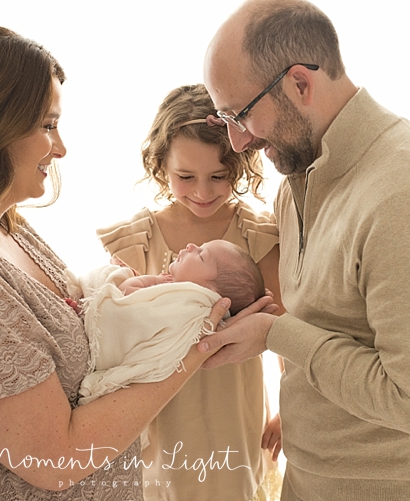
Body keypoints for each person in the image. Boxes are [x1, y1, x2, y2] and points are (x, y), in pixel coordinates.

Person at [0, 26, 272, 500]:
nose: (60, 148)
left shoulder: (2, 227)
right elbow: (56, 459)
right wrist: (195, 346)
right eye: (47, 125)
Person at [199, 1, 410, 501]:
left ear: (299, 84)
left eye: (239, 114)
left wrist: (276, 333)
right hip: (310, 478)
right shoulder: (296, 182)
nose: (237, 140)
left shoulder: (409, 196)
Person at [97, 83, 285, 501]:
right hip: (160, 417)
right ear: (160, 163)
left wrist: (288, 407)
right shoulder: (136, 242)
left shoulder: (256, 236)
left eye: (219, 177)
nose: (203, 192)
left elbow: (285, 330)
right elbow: (113, 326)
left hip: (234, 414)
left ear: (240, 165)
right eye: (186, 177)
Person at [70, 240, 265, 404]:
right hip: (121, 342)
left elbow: (128, 298)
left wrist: (151, 281)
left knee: (111, 285)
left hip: (113, 339)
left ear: (208, 292)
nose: (190, 246)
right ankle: (86, 315)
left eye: (201, 255)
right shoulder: (186, 302)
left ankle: (87, 316)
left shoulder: (185, 304)